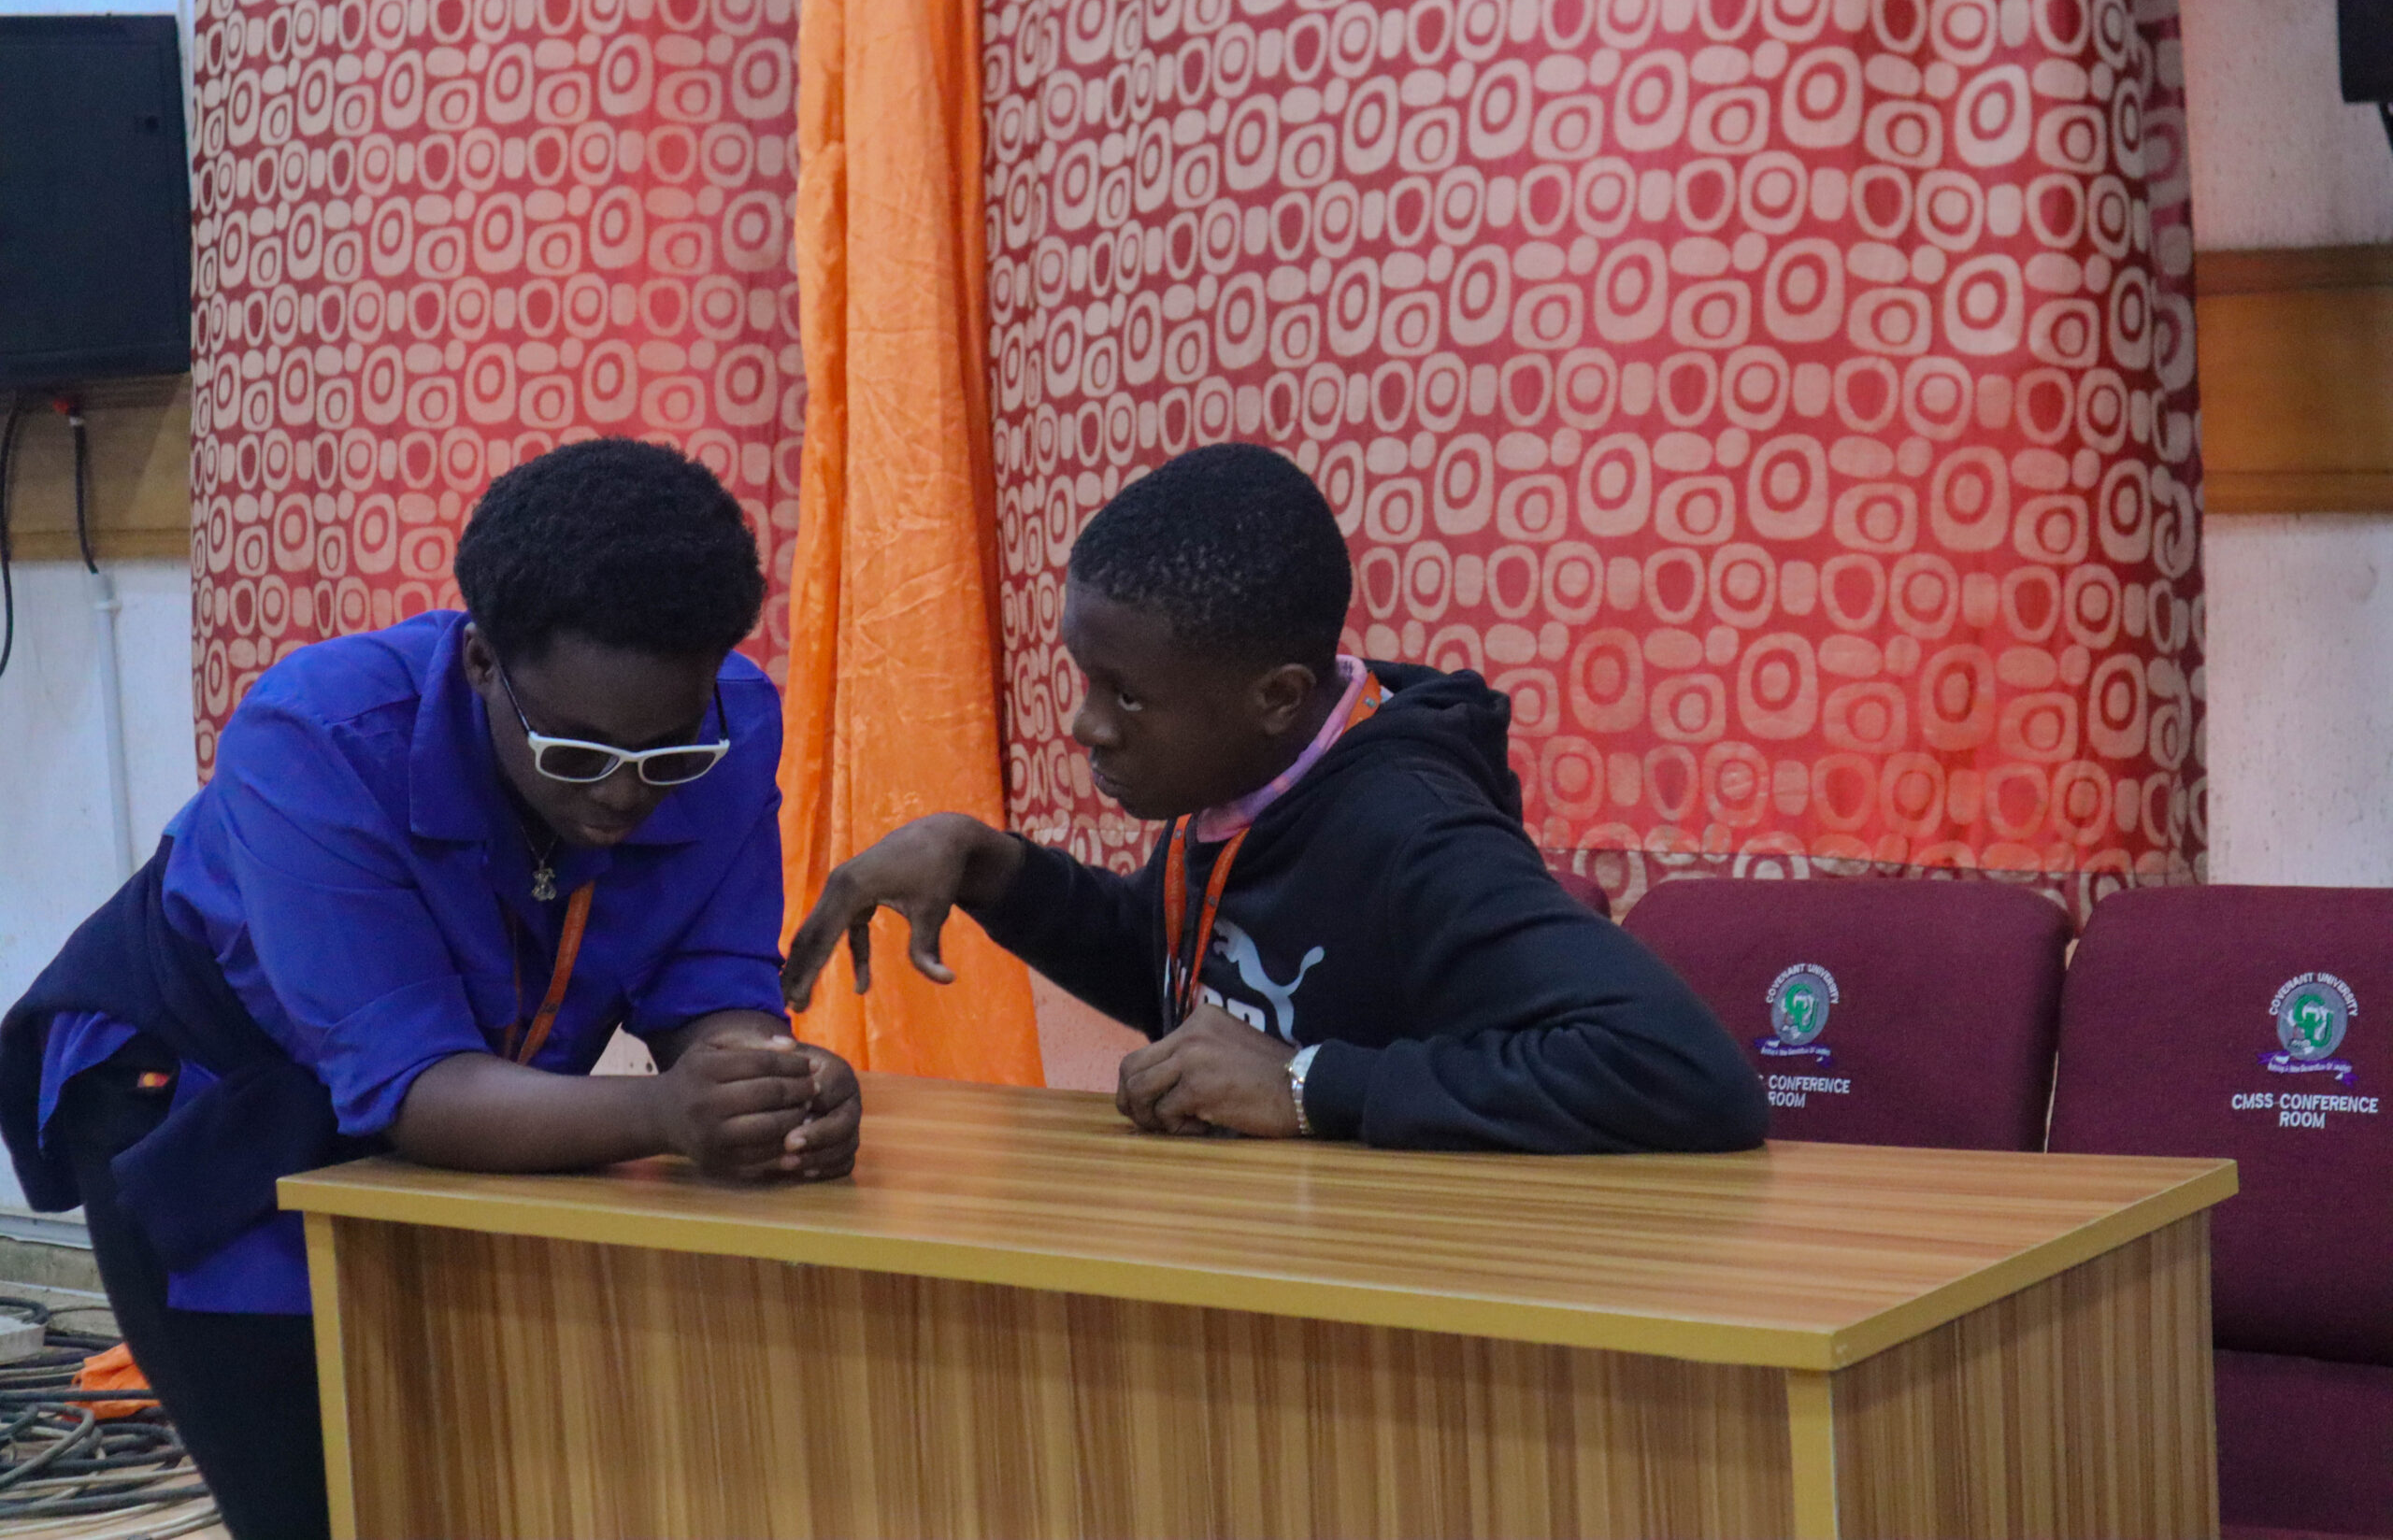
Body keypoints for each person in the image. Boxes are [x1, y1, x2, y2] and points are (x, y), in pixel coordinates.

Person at [0, 439, 860, 1540]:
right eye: (579, 753)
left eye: (666, 755)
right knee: (316, 1497)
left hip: (473, 1092)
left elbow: (711, 992)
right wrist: (666, 1113)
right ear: (482, 662)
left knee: (490, 1479)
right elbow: (417, 1088)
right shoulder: (316, 735)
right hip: (207, 1091)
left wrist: (767, 1085)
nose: (623, 793)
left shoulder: (729, 724)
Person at [784, 443, 1766, 1153]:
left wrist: (1308, 1085)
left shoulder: (1416, 835)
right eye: (1086, 679)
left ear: (1278, 697)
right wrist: (991, 868)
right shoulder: (1242, 785)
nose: (1085, 725)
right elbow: (1181, 972)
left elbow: (1687, 1073)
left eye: (1126, 695)